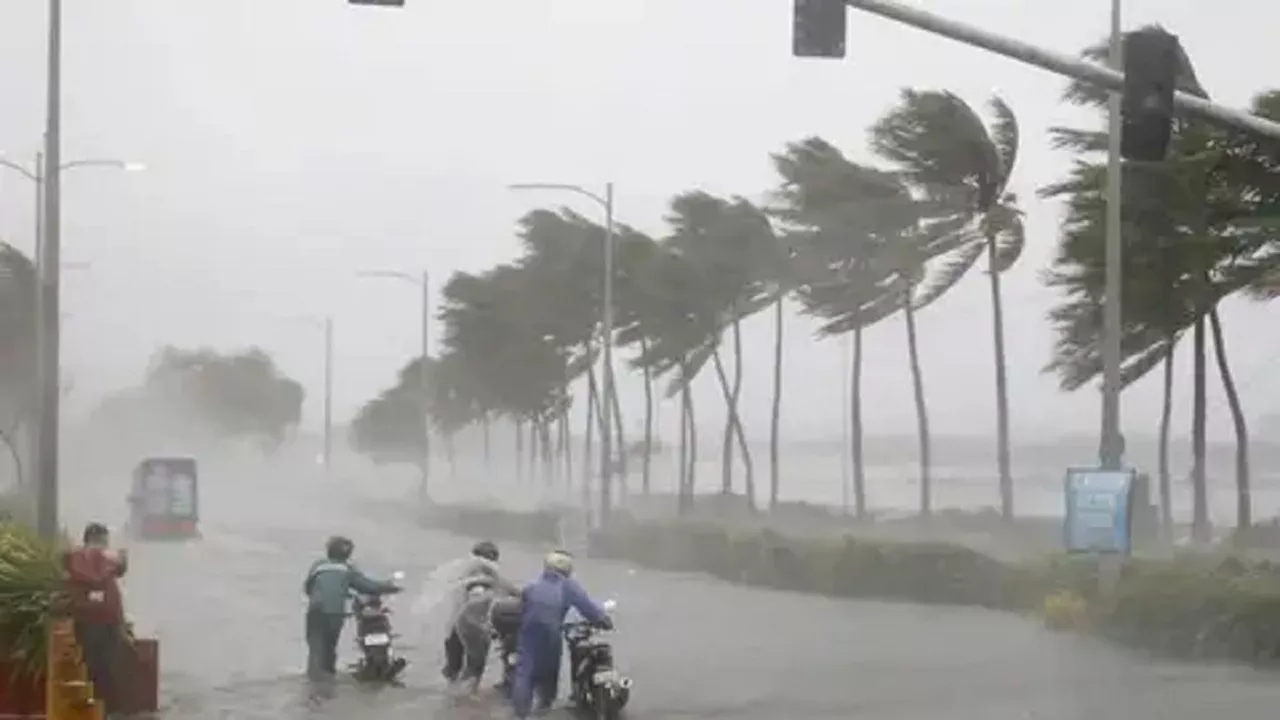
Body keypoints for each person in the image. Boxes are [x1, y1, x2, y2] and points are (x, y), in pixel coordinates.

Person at [511, 549, 612, 718]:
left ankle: (520, 714)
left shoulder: (532, 586)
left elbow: (522, 607)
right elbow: (588, 608)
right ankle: (543, 708)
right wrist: (604, 621)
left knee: (525, 672)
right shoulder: (569, 586)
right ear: (568, 569)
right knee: (549, 672)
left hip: (529, 631)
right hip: (551, 632)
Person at [303, 536, 401, 679]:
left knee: (315, 649)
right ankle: (328, 679)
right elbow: (368, 587)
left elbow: (308, 588)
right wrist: (391, 587)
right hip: (335, 613)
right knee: (329, 649)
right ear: (348, 555)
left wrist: (341, 592)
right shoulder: (347, 569)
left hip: (315, 610)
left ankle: (313, 681)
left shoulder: (317, 566)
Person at [64, 522, 129, 715]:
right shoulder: (104, 558)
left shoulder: (74, 557)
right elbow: (118, 567)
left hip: (92, 618)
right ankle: (106, 707)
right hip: (104, 619)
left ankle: (97, 705)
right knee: (105, 664)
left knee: (93, 663)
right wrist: (121, 557)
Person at [441, 540, 520, 690]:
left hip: (453, 629)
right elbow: (513, 591)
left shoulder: (464, 574)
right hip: (472, 628)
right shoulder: (486, 578)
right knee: (474, 669)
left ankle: (450, 698)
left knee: (453, 669)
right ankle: (465, 701)